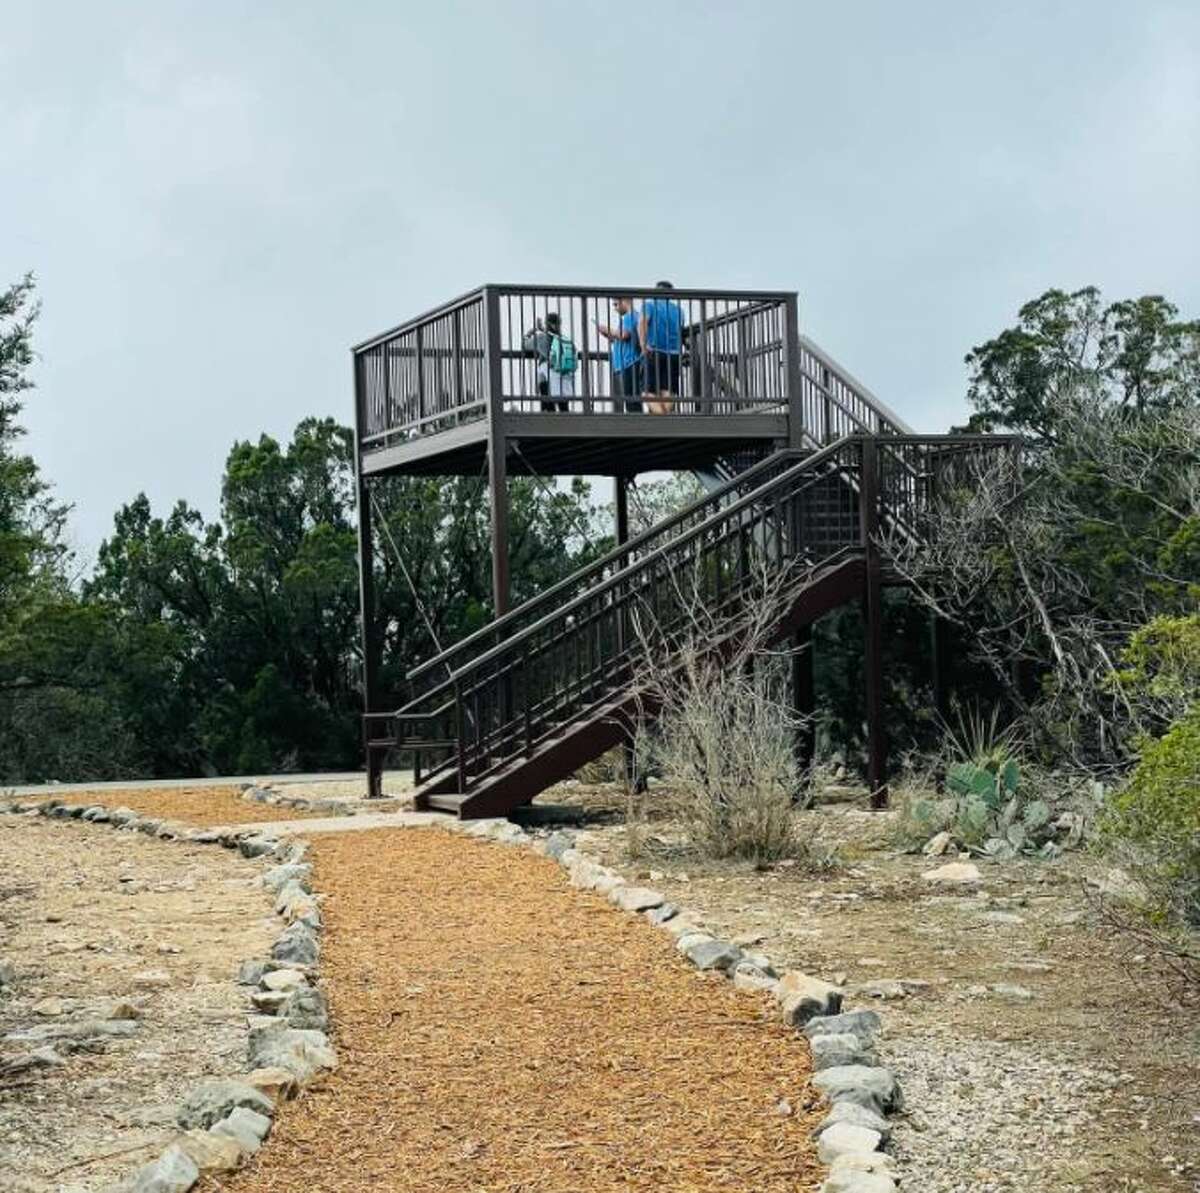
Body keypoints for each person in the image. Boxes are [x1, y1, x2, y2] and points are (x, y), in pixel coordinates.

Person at [639, 281, 684, 415]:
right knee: (668, 391)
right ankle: (664, 416)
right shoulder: (679, 311)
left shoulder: (649, 304)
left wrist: (642, 344)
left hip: (654, 351)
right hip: (674, 353)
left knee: (647, 391)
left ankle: (663, 418)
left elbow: (643, 322)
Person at [522, 311, 577, 412]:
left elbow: (525, 345)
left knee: (543, 378)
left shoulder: (541, 338)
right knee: (564, 405)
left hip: (549, 371)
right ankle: (566, 419)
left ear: (547, 324)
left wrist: (530, 333)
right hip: (564, 372)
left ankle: (547, 410)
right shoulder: (565, 339)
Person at [596, 297, 643, 412]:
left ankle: (636, 425)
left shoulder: (630, 316)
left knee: (631, 399)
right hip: (627, 363)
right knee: (631, 398)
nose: (615, 308)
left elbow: (624, 335)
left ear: (624, 301)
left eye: (616, 304)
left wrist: (607, 329)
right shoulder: (634, 317)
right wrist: (608, 335)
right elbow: (622, 338)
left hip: (629, 363)